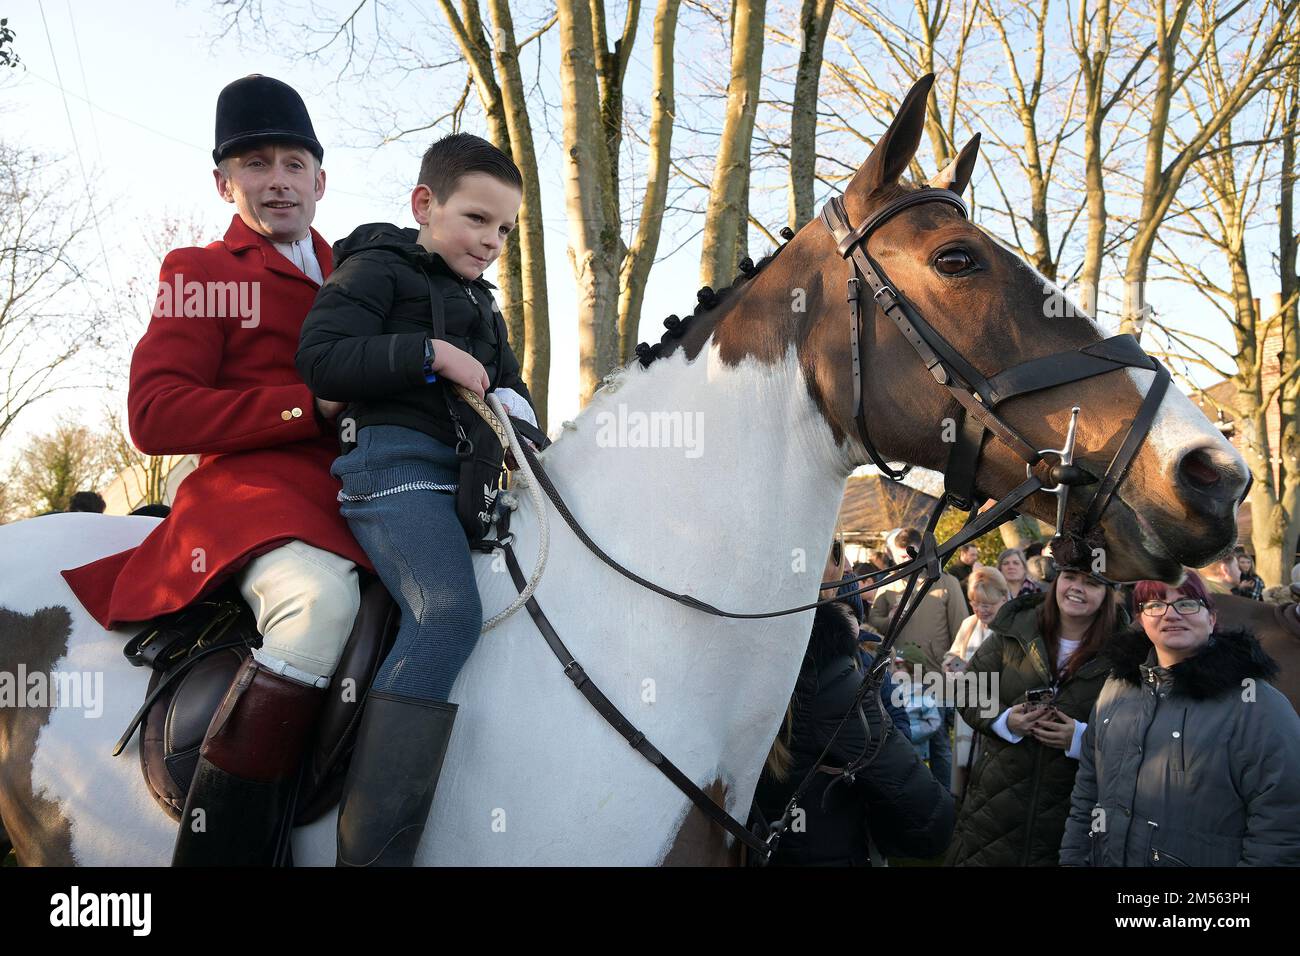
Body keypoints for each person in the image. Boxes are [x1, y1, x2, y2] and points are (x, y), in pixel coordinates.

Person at [61, 76, 369, 866]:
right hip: (253, 500)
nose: (277, 180)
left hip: (371, 495)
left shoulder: (366, 271)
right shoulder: (200, 271)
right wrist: (308, 408)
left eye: (293, 163)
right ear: (223, 182)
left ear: (320, 180)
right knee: (319, 604)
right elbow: (156, 414)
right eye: (255, 164)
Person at [296, 132, 535, 867]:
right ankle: (371, 848)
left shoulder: (484, 307)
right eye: (476, 219)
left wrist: (533, 428)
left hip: (470, 479)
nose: (491, 241)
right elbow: (321, 357)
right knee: (448, 613)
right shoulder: (376, 267)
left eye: (504, 229)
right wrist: (428, 354)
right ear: (424, 205)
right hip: (391, 469)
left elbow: (512, 393)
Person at [1061, 571, 1300, 866]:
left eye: (1186, 603)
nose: (1171, 615)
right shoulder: (1116, 688)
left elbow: (1282, 825)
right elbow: (1088, 791)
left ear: (1211, 618)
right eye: (1155, 604)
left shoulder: (1257, 705)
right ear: (1142, 618)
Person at [751, 602, 955, 865]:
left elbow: (895, 724)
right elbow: (932, 816)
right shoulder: (831, 678)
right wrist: (877, 821)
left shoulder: (861, 666)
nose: (849, 621)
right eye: (841, 612)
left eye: (852, 613)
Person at [945, 566, 1121, 866]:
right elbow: (968, 687)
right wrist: (1003, 720)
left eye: (1091, 583)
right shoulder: (1015, 631)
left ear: (1107, 595)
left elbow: (1137, 729)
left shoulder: (1124, 651)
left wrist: (1081, 739)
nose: (1076, 588)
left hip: (1069, 809)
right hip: (996, 802)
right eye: (1069, 578)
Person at [868, 527, 966, 792]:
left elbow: (960, 632)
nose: (903, 562)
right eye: (899, 557)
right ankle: (909, 795)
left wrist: (954, 673)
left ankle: (945, 797)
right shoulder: (889, 584)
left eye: (908, 555)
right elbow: (872, 623)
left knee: (939, 742)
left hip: (937, 675)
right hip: (900, 676)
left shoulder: (946, 583)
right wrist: (887, 620)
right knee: (901, 738)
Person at [943, 566, 1010, 796]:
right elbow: (954, 654)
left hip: (998, 712)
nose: (980, 610)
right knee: (966, 775)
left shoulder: (1012, 629)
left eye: (986, 604)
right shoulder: (969, 624)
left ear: (1004, 597)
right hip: (969, 712)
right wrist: (950, 664)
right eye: (974, 603)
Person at [946, 542, 981, 612]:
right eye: (972, 555)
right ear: (963, 554)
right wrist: (973, 575)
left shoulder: (974, 567)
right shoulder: (952, 570)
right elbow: (955, 589)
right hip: (963, 609)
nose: (975, 558)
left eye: (976, 555)